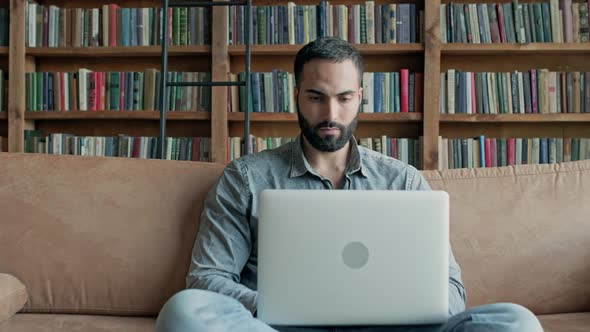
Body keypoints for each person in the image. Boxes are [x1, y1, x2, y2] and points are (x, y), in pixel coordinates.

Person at [155, 37, 543, 332]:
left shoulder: (403, 181)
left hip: (392, 328)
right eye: (315, 97)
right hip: (278, 327)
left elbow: (451, 290)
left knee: (516, 321)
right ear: (296, 98)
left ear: (361, 98)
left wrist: (392, 305)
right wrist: (280, 305)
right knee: (185, 310)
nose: (330, 113)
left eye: (344, 98)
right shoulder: (245, 178)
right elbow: (207, 277)